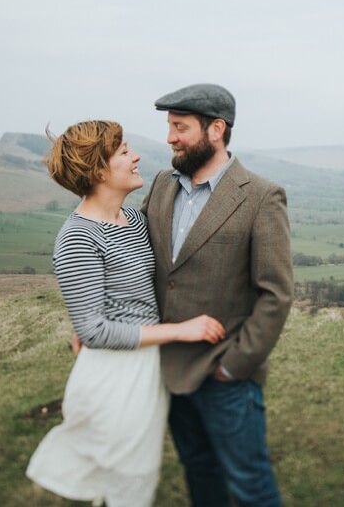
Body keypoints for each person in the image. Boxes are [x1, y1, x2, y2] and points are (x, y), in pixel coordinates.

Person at [27, 120, 226, 506]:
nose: (135, 157)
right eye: (123, 152)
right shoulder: (77, 237)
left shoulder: (134, 221)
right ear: (98, 169)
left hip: (146, 368)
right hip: (113, 374)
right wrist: (181, 331)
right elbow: (95, 331)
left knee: (138, 473)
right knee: (127, 480)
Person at [141, 84, 294, 506]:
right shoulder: (160, 185)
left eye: (180, 127)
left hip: (224, 374)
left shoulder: (262, 197)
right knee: (200, 473)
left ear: (216, 130)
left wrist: (234, 365)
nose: (170, 137)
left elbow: (276, 293)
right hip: (169, 369)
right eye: (169, 127)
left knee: (250, 485)